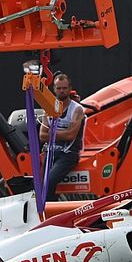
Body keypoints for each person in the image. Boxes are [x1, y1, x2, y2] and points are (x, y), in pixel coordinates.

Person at [39, 73, 85, 201]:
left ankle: (50, 211)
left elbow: (71, 135)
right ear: (54, 89)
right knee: (39, 185)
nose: (62, 91)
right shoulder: (48, 108)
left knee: (49, 181)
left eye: (64, 88)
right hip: (50, 152)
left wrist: (51, 134)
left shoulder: (77, 110)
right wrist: (61, 134)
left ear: (70, 88)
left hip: (68, 154)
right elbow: (42, 136)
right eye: (59, 88)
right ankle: (48, 209)